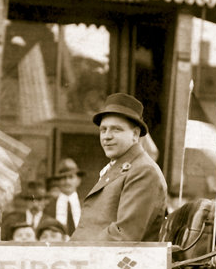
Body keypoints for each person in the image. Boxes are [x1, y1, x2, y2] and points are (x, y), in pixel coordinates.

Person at [72, 93, 167, 242]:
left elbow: (123, 233)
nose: (106, 136)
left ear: (135, 135)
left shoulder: (143, 171)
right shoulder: (120, 167)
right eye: (103, 130)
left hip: (116, 261)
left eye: (116, 129)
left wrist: (77, 253)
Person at [45, 158, 84, 236]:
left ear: (78, 180)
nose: (67, 182)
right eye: (63, 178)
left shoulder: (86, 204)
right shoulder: (49, 206)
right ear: (58, 181)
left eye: (71, 177)